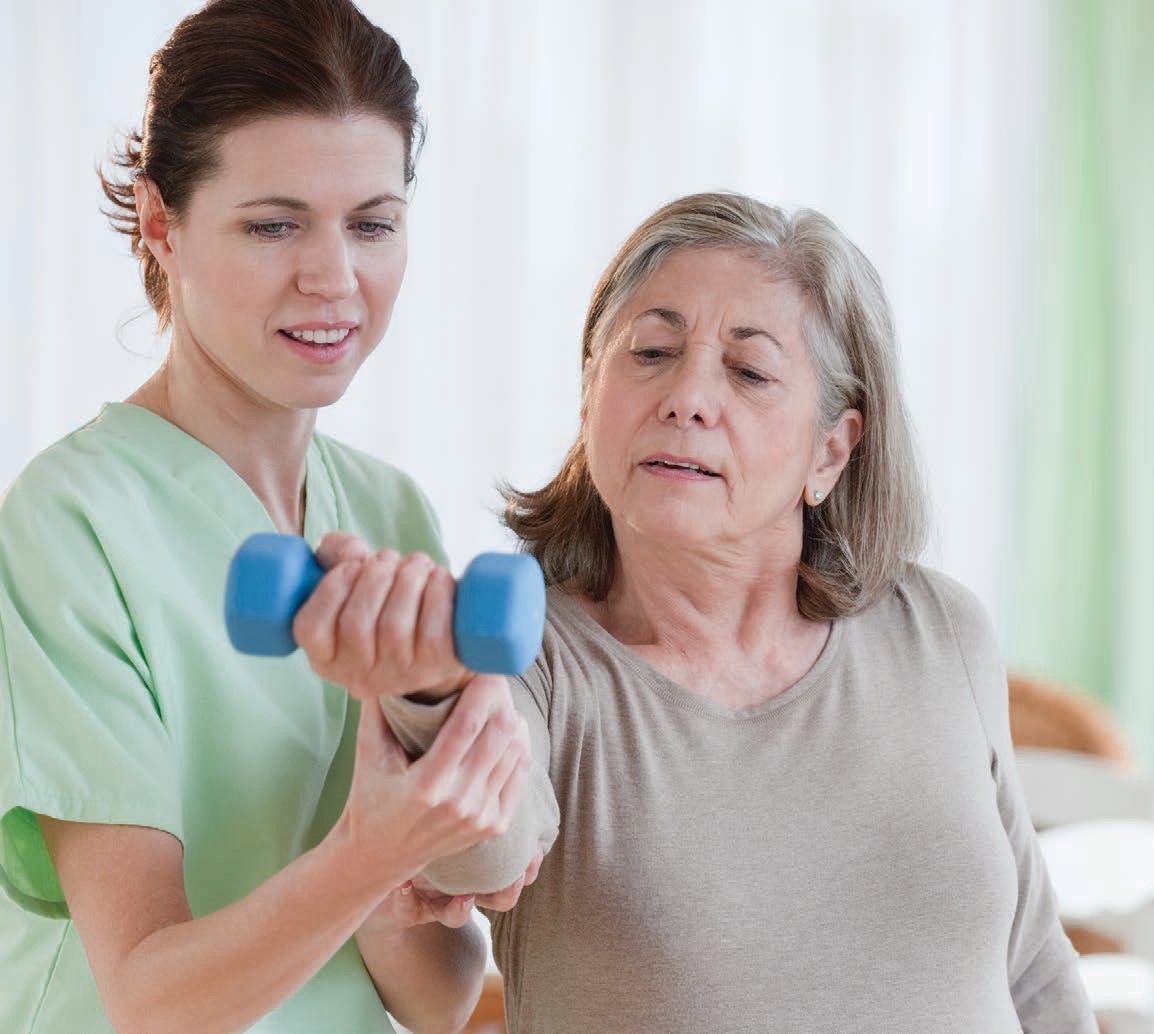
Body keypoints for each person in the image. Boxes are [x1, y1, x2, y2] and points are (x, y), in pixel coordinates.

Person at [357, 191, 1098, 1031]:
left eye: (747, 372)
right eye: (652, 352)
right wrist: (424, 687)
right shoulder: (530, 654)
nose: (687, 398)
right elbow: (481, 849)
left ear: (832, 449)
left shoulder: (943, 633)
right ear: (589, 398)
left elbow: (1035, 968)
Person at [0, 2, 539, 1031]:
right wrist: (372, 849)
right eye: (274, 223)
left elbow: (438, 995)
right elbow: (151, 999)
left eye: (371, 222)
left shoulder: (386, 511)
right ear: (163, 225)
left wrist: (416, 845)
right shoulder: (69, 524)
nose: (334, 279)